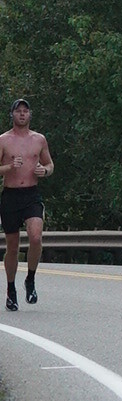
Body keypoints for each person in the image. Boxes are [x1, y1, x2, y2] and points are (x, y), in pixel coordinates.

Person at [0, 97, 53, 311]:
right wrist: (9, 167)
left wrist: (44, 171)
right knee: (12, 246)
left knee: (36, 237)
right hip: (10, 195)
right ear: (12, 114)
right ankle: (11, 289)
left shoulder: (39, 139)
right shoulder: (3, 140)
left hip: (31, 194)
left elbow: (49, 164)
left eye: (25, 110)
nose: (22, 114)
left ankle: (30, 279)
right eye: (18, 111)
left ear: (30, 115)